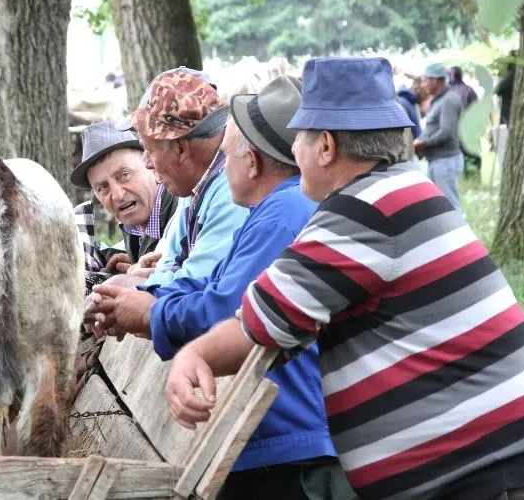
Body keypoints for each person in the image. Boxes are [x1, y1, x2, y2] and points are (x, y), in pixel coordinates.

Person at [164, 56, 524, 500]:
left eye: (300, 138)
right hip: (501, 467)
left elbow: (259, 326)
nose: (293, 152)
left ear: (325, 146)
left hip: (493, 477)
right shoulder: (406, 189)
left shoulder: (362, 211)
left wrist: (194, 358)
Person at [87, 76, 355, 499]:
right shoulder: (269, 212)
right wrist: (151, 298)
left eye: (226, 155)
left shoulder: (282, 212)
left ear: (251, 163)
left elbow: (227, 308)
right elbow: (208, 287)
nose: (219, 166)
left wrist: (148, 310)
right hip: (274, 441)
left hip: (291, 450)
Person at [113, 66, 249, 288]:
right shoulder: (194, 181)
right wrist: (151, 277)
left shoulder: (232, 189)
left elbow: (194, 284)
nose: (146, 163)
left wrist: (133, 283)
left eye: (150, 150)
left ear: (180, 149)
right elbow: (171, 263)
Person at [71, 121, 178, 289]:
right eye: (103, 188)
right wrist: (133, 261)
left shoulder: (183, 210)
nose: (118, 195)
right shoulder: (134, 229)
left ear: (151, 166)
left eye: (124, 175)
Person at [413, 63, 465, 215]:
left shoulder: (449, 100)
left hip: (445, 161)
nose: (423, 84)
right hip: (438, 160)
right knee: (439, 206)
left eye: (426, 80)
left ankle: (459, 237)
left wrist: (423, 144)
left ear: (436, 81)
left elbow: (446, 132)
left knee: (450, 205)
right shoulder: (440, 99)